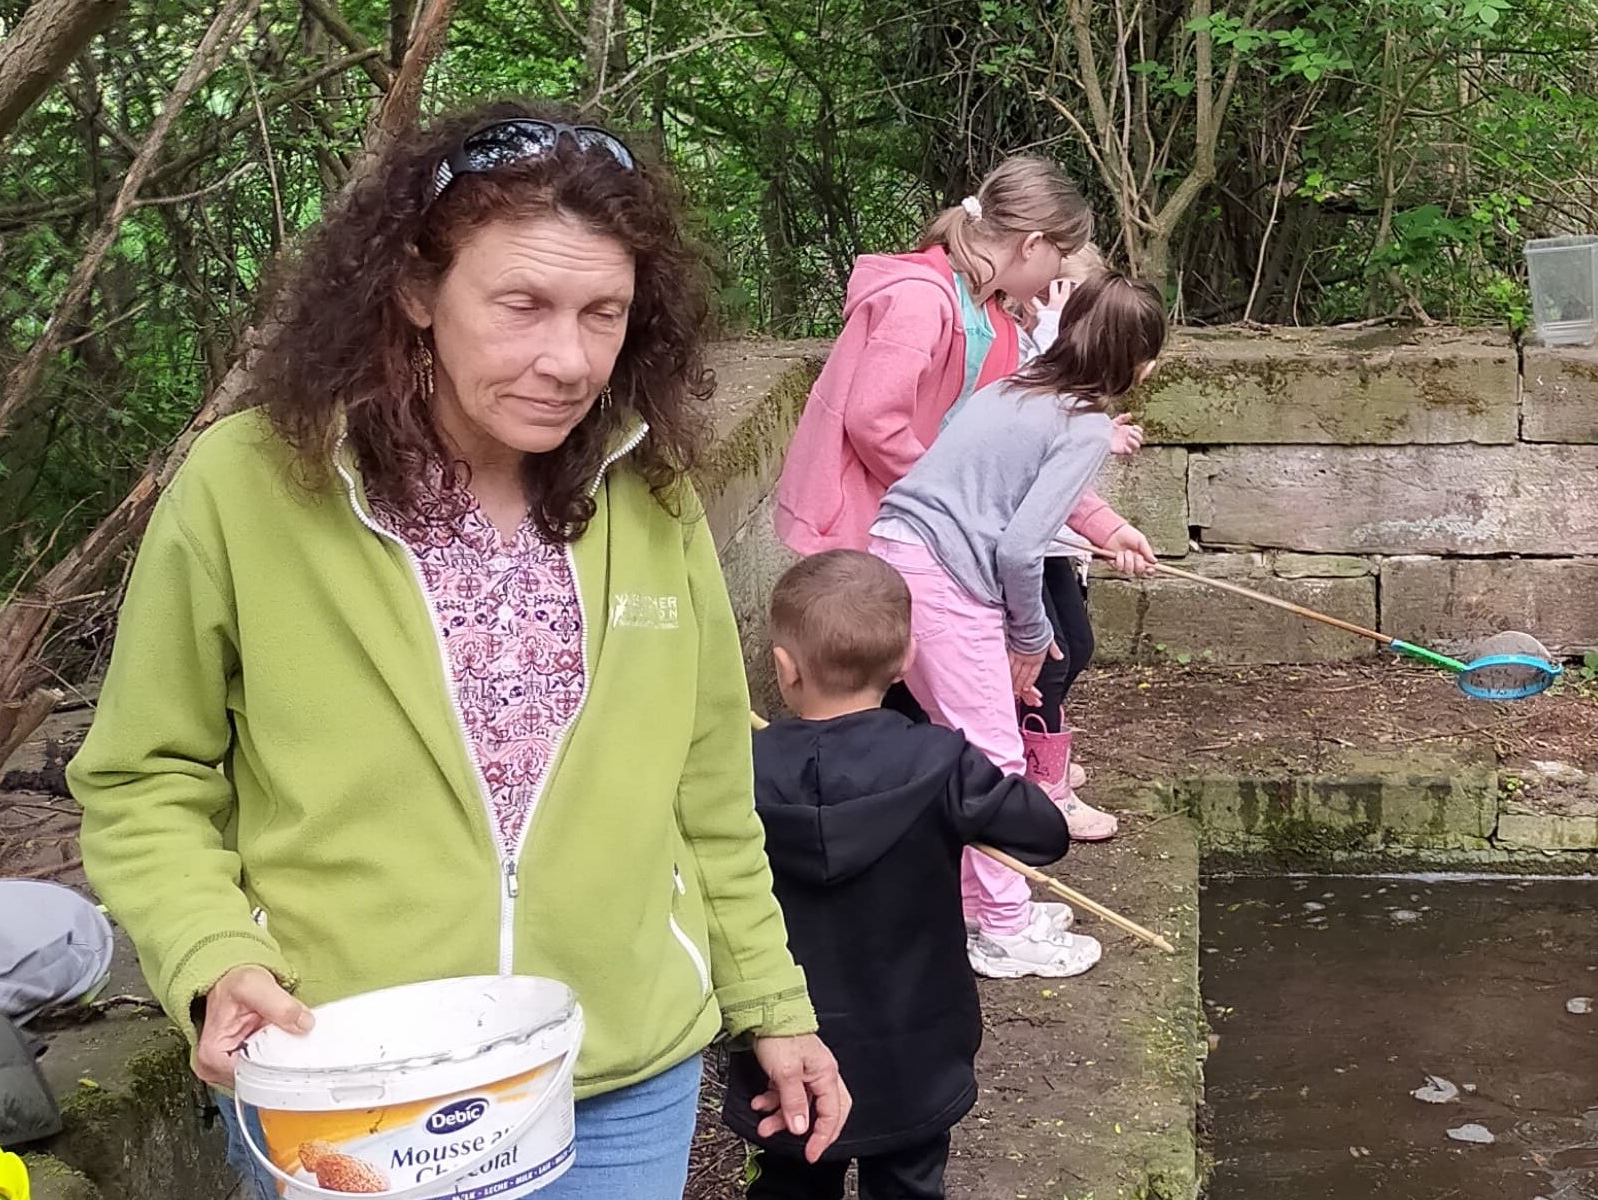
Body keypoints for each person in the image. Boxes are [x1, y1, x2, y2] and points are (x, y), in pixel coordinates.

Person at [68, 99, 848, 1199]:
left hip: (620, 1076)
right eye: (521, 303)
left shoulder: (651, 493)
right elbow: (144, 775)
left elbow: (708, 790)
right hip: (349, 1078)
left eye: (604, 312)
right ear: (417, 291)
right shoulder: (250, 484)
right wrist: (213, 955)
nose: (567, 359)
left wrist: (773, 1001)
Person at [726, 550, 1070, 1199]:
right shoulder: (938, 761)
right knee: (910, 1185)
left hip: (788, 1039)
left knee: (790, 1183)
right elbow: (1044, 834)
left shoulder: (745, 767)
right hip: (916, 1044)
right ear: (907, 659)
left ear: (784, 667)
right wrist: (969, 805)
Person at [771, 157, 1157, 724]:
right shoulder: (922, 300)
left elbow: (1019, 460)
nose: (1058, 277)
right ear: (1030, 244)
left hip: (932, 539)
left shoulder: (997, 321)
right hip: (873, 527)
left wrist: (1108, 526)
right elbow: (875, 421)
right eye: (1058, 256)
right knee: (880, 691)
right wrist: (959, 503)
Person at [869, 273, 1167, 978]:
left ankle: (980, 903)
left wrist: (1112, 529)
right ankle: (1004, 930)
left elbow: (1035, 499)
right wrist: (1029, 636)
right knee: (996, 761)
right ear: (1142, 362)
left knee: (966, 747)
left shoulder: (1020, 386)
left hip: (896, 550)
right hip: (946, 577)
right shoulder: (1088, 424)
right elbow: (1019, 547)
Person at [1016, 244, 1140, 841]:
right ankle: (1044, 788)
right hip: (1027, 538)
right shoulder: (1027, 338)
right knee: (1049, 657)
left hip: (1055, 537)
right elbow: (1037, 398)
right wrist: (1047, 326)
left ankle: (1045, 753)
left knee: (1075, 647)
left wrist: (1110, 530)